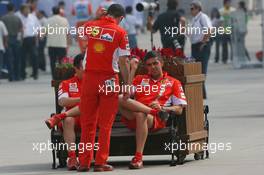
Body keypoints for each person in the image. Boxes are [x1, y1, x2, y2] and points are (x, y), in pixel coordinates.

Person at [77, 4, 131, 172]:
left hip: (89, 79)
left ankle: (84, 162)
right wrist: (128, 84)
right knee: (105, 124)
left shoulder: (92, 27)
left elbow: (80, 31)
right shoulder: (120, 32)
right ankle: (100, 162)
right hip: (109, 79)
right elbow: (123, 62)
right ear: (121, 18)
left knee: (87, 122)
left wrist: (96, 18)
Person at [120, 51, 187, 169]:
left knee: (141, 114)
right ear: (146, 67)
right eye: (149, 65)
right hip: (135, 116)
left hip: (154, 120)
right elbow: (126, 95)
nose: (153, 67)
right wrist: (133, 70)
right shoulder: (140, 79)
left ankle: (138, 157)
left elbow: (179, 109)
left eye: (155, 63)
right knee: (119, 97)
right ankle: (152, 111)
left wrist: (163, 108)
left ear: (161, 63)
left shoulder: (173, 82)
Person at [45, 54, 84, 170]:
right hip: (73, 120)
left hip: (91, 117)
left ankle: (59, 116)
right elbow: (62, 101)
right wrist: (82, 100)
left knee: (89, 108)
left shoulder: (94, 83)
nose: (87, 69)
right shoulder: (66, 84)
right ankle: (72, 157)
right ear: (76, 68)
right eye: (84, 67)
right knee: (68, 119)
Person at [188, 0, 212, 99]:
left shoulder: (203, 17)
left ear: (198, 8)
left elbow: (209, 30)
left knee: (202, 70)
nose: (191, 10)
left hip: (201, 45)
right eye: (190, 9)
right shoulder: (194, 19)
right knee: (196, 70)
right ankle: (201, 92)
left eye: (192, 8)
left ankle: (201, 93)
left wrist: (204, 42)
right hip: (195, 46)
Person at [45, 6, 71, 79]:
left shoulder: (48, 20)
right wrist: (68, 43)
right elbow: (67, 33)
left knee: (52, 62)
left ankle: (54, 77)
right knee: (62, 62)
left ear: (52, 12)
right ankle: (61, 76)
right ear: (59, 12)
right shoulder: (64, 20)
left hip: (51, 44)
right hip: (61, 44)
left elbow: (44, 32)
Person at [17, 4, 41, 80]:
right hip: (22, 39)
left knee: (34, 56)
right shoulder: (17, 16)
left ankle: (35, 74)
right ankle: (22, 74)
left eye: (28, 10)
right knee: (22, 58)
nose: (27, 11)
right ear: (21, 10)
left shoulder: (32, 17)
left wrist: (38, 37)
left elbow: (38, 27)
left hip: (32, 39)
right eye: (26, 10)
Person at [1, 3, 23, 81]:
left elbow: (3, 32)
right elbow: (21, 29)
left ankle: (11, 76)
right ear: (13, 8)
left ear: (7, 9)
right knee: (17, 58)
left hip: (7, 40)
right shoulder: (17, 18)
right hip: (16, 39)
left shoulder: (3, 18)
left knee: (9, 59)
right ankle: (18, 76)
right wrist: (21, 40)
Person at [231, 1, 251, 66]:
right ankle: (246, 57)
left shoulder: (241, 12)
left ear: (241, 5)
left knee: (240, 44)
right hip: (242, 29)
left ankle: (245, 57)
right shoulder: (243, 12)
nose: (237, 6)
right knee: (241, 44)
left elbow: (241, 21)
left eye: (238, 5)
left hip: (240, 30)